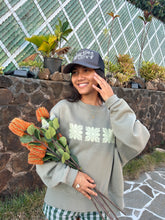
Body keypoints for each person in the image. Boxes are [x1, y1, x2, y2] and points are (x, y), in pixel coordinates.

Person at [36, 48, 150, 220]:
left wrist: (112, 101)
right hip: (61, 206)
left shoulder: (114, 112)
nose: (79, 77)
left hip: (100, 208)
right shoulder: (62, 110)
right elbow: (42, 154)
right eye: (75, 72)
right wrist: (72, 177)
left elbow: (137, 140)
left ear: (100, 76)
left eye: (86, 71)